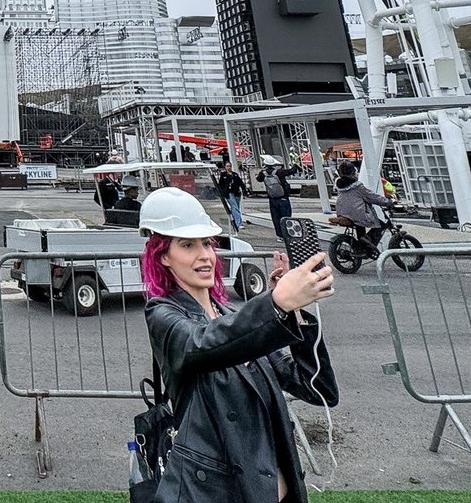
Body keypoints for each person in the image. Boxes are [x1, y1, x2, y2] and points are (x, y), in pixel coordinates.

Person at [140, 186, 338, 503]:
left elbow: (317, 389)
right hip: (214, 492)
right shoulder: (163, 313)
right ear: (163, 255)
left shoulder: (235, 314)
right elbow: (203, 344)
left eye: (207, 243)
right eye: (187, 245)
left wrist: (295, 310)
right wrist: (275, 303)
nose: (204, 255)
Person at [333, 161, 393, 250]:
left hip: (342, 212)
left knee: (359, 224)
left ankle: (362, 246)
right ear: (353, 172)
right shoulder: (357, 186)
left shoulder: (340, 186)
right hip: (356, 213)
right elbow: (372, 197)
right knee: (380, 224)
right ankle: (368, 245)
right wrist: (387, 202)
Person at [262, 159, 300, 234]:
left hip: (272, 198)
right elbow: (291, 171)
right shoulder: (280, 172)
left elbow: (258, 179)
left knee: (276, 217)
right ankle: (287, 233)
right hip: (283, 197)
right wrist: (295, 166)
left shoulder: (263, 174)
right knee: (286, 216)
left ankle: (279, 234)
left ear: (265, 165)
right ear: (274, 165)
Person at [213, 159, 247, 231]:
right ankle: (239, 223)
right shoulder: (223, 175)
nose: (229, 167)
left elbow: (240, 182)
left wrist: (244, 189)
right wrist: (222, 192)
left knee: (235, 207)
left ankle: (234, 221)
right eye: (228, 166)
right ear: (225, 167)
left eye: (230, 166)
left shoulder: (235, 175)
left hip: (236, 192)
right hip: (229, 193)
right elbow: (221, 184)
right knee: (234, 207)